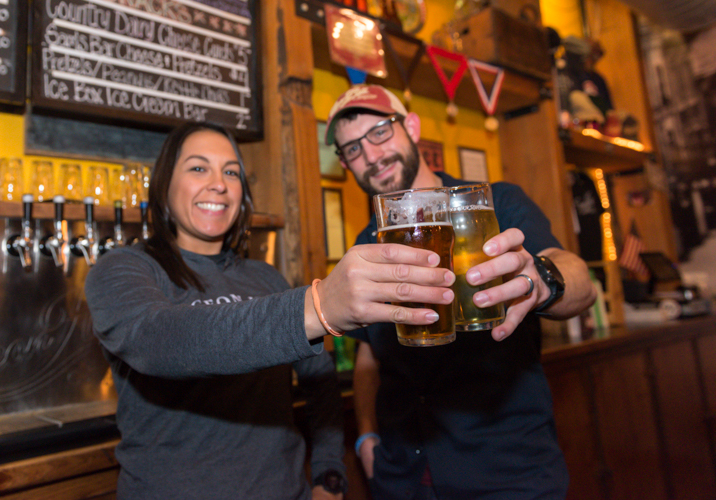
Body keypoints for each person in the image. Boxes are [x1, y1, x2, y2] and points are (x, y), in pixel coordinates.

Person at [84, 121, 457, 500]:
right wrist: (316, 307)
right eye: (198, 168)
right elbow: (159, 341)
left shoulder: (265, 278)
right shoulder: (123, 269)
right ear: (164, 184)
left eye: (231, 172)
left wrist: (329, 474)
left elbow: (320, 383)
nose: (219, 183)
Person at [324, 84, 598, 499]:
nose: (372, 156)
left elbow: (580, 280)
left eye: (380, 132)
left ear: (411, 127)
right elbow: (368, 357)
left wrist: (541, 282)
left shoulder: (492, 205)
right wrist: (366, 440)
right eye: (353, 149)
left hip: (506, 474)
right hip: (403, 479)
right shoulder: (364, 245)